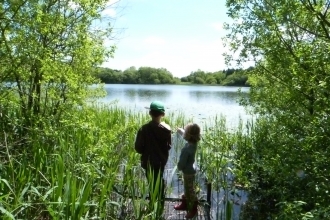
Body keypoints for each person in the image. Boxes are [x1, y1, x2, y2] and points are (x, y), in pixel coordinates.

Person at [134, 100, 172, 213]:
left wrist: (145, 150)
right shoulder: (167, 130)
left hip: (148, 161)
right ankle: (160, 203)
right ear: (163, 114)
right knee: (159, 179)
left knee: (151, 181)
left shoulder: (144, 129)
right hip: (161, 161)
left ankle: (153, 203)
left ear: (150, 113)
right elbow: (169, 146)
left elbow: (138, 148)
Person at [174, 123, 201, 219]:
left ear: (188, 135)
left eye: (185, 132)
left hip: (187, 173)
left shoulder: (187, 149)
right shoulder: (193, 143)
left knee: (190, 190)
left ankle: (194, 209)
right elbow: (185, 135)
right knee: (187, 189)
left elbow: (182, 163)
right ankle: (184, 204)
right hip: (191, 171)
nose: (184, 133)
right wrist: (180, 130)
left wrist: (179, 168)